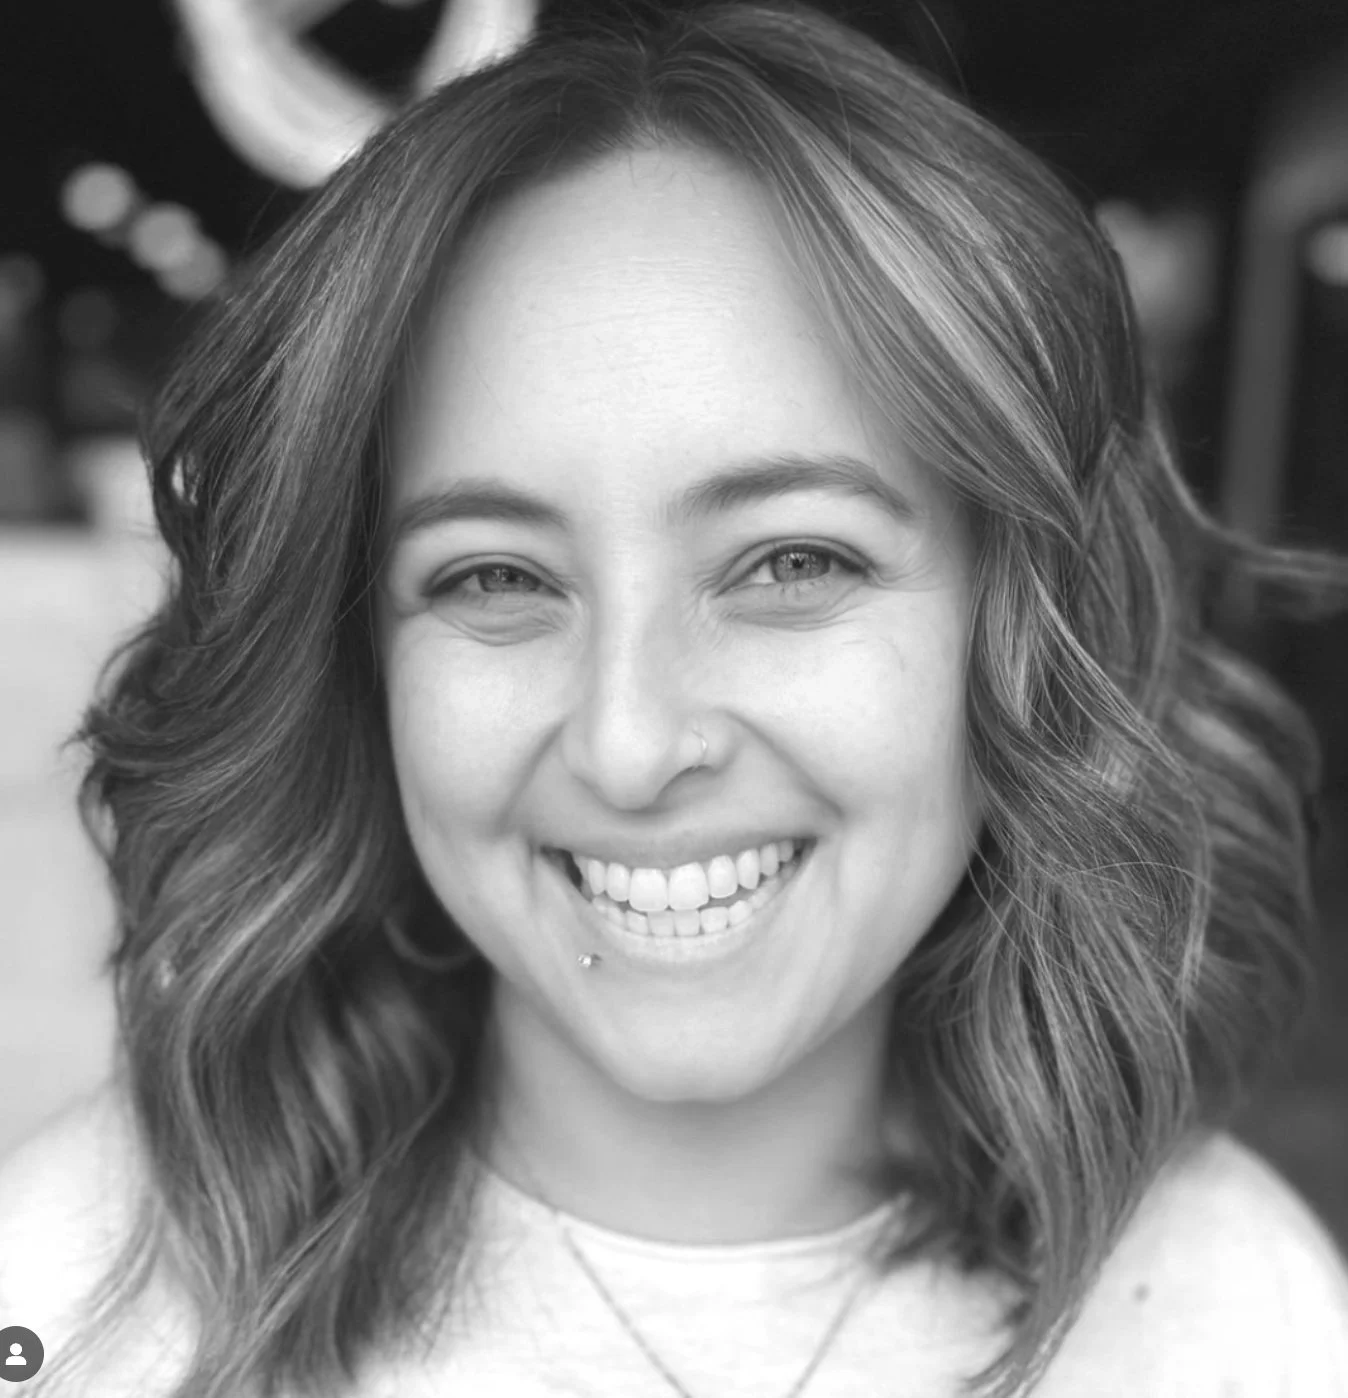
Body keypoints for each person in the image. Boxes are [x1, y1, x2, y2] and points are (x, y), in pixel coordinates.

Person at [4, 1, 1348, 1394]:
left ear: (1018, 619)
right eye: (492, 578)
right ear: (357, 663)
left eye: (791, 560)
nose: (630, 742)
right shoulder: (66, 1296)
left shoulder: (1239, 1312)